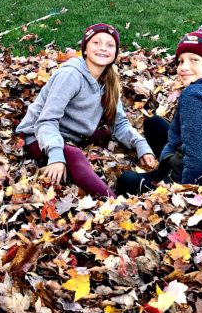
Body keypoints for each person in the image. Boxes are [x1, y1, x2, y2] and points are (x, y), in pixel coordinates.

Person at [16, 23, 159, 198]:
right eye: (96, 43)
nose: (103, 49)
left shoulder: (108, 80)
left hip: (72, 134)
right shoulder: (71, 76)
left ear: (115, 53)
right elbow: (46, 121)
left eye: (109, 45)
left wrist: (141, 145)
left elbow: (119, 123)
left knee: (105, 135)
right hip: (38, 135)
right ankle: (112, 202)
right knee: (74, 155)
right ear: (85, 49)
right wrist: (56, 155)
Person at [115, 24, 202, 196]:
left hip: (195, 182)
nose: (183, 67)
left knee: (125, 180)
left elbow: (200, 160)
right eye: (181, 61)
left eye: (194, 60)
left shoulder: (194, 96)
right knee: (154, 124)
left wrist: (185, 196)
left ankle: (161, 174)